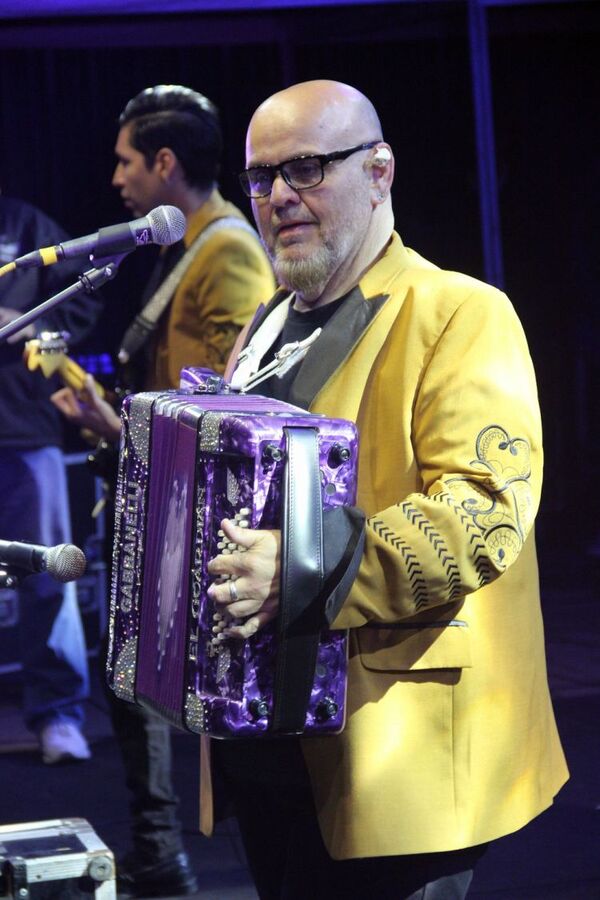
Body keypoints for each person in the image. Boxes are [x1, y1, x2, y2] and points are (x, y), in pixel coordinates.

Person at [202, 80, 569, 900]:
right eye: (261, 179)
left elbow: (483, 515)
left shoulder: (461, 312)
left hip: (397, 753)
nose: (279, 199)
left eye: (305, 169)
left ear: (379, 171)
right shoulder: (265, 324)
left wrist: (296, 570)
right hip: (269, 746)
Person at [51, 84, 274, 898]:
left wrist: (119, 432)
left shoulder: (230, 253)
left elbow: (235, 406)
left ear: (165, 163)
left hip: (202, 514)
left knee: (181, 692)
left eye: (125, 160)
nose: (115, 178)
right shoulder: (191, 248)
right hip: (167, 496)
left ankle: (172, 858)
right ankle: (159, 854)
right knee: (131, 680)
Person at [0, 193, 102, 764]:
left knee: (46, 571)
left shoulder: (28, 224)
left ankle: (59, 714)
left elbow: (85, 298)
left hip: (23, 426)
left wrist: (26, 324)